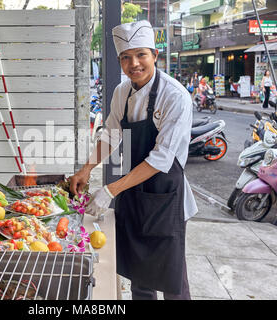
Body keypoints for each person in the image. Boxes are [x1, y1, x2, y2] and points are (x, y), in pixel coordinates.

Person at [69, 20, 197, 300]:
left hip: (165, 197)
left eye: (141, 55)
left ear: (155, 56)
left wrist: (111, 189)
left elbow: (161, 159)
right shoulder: (121, 92)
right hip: (134, 194)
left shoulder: (174, 96)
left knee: (171, 277)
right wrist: (86, 169)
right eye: (126, 58)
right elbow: (111, 135)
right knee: (140, 275)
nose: (134, 63)